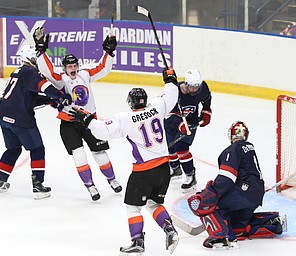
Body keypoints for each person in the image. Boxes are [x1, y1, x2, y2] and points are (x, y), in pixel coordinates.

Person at [68, 68, 180, 255]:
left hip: (144, 172)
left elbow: (102, 131)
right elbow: (171, 95)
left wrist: (87, 120)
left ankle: (137, 242)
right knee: (153, 203)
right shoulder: (157, 107)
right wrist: (170, 79)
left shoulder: (126, 118)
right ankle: (169, 229)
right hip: (164, 168)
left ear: (130, 102)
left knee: (132, 207)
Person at [33, 27, 122, 201]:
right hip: (69, 122)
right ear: (64, 68)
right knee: (79, 154)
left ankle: (112, 180)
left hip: (90, 121)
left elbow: (103, 68)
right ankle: (90, 186)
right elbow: (47, 70)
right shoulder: (60, 79)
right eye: (69, 66)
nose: (73, 69)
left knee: (100, 153)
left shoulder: (85, 74)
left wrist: (109, 52)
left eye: (75, 66)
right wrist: (41, 51)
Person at [187, 121, 286, 249]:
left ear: (230, 135)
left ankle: (221, 237)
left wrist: (211, 192)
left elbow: (227, 178)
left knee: (209, 203)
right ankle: (253, 226)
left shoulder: (232, 150)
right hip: (255, 196)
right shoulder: (249, 148)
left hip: (242, 193)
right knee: (236, 224)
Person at [0, 44, 72, 199]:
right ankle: (38, 186)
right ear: (30, 57)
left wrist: (49, 100)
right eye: (35, 57)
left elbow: (28, 97)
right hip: (21, 119)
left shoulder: (17, 72)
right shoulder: (31, 72)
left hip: (4, 116)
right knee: (37, 149)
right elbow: (45, 87)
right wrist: (60, 97)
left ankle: (0, 180)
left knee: (13, 149)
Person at [164, 69, 212, 193]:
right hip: (171, 122)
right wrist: (180, 124)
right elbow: (168, 112)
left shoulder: (202, 88)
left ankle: (190, 176)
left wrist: (206, 112)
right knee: (169, 148)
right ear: (185, 83)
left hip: (190, 122)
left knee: (181, 148)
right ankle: (175, 169)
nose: (195, 89)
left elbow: (206, 98)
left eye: (197, 86)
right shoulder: (174, 92)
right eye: (192, 86)